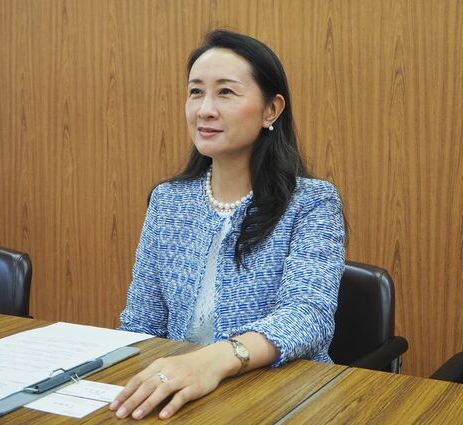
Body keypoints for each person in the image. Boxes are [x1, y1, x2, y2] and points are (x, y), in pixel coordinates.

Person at [110, 29, 345, 420]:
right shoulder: (168, 201)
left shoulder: (311, 202)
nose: (204, 109)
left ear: (271, 110)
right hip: (183, 400)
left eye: (225, 92)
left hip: (283, 398)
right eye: (196, 92)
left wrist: (213, 360)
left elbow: (308, 316)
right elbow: (141, 323)